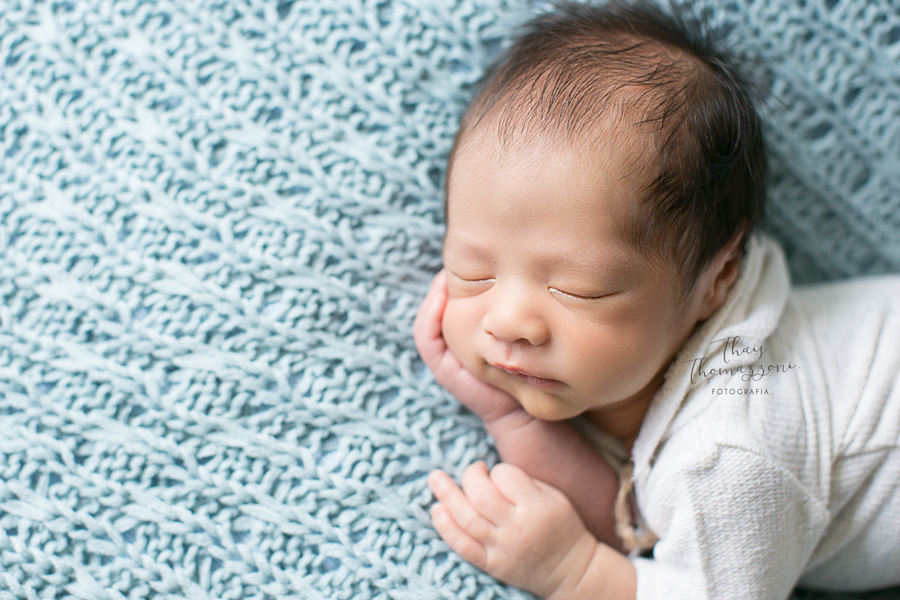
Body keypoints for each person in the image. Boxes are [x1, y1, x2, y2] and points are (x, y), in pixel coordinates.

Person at [411, 2, 900, 599]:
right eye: (472, 271)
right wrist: (508, 413)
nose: (508, 320)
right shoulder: (636, 353)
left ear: (717, 279)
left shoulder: (727, 454)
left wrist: (573, 573)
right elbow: (639, 515)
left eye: (577, 289)